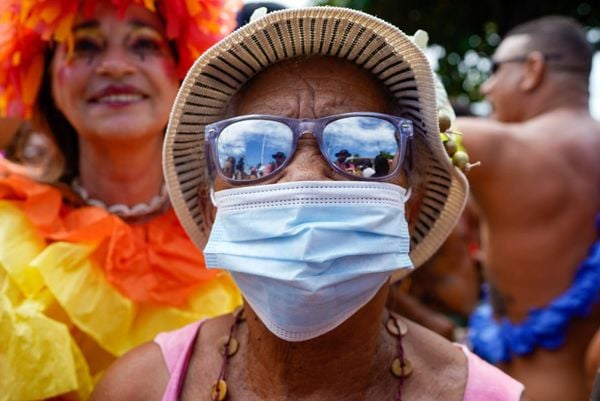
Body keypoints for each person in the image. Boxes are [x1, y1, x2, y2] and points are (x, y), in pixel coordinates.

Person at [92, 7, 532, 401]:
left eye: (361, 148)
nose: (304, 178)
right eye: (252, 154)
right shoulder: (137, 388)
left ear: (409, 205)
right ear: (212, 211)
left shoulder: (486, 395)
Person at [0, 1, 242, 399]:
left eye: (144, 44)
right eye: (86, 46)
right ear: (47, 82)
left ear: (184, 75)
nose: (114, 66)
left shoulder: (236, 235)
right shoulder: (8, 233)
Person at [456, 16, 600, 401]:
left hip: (513, 389)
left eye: (496, 69)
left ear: (532, 69)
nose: (487, 87)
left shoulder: (490, 146)